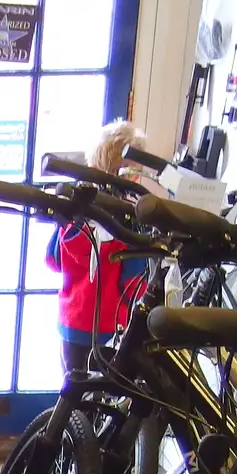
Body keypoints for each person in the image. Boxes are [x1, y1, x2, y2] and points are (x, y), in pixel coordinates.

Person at [47, 119, 151, 375]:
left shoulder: (74, 212)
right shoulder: (127, 221)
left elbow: (53, 260)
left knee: (73, 389)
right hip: (110, 325)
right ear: (134, 175)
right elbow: (132, 285)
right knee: (105, 394)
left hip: (71, 321)